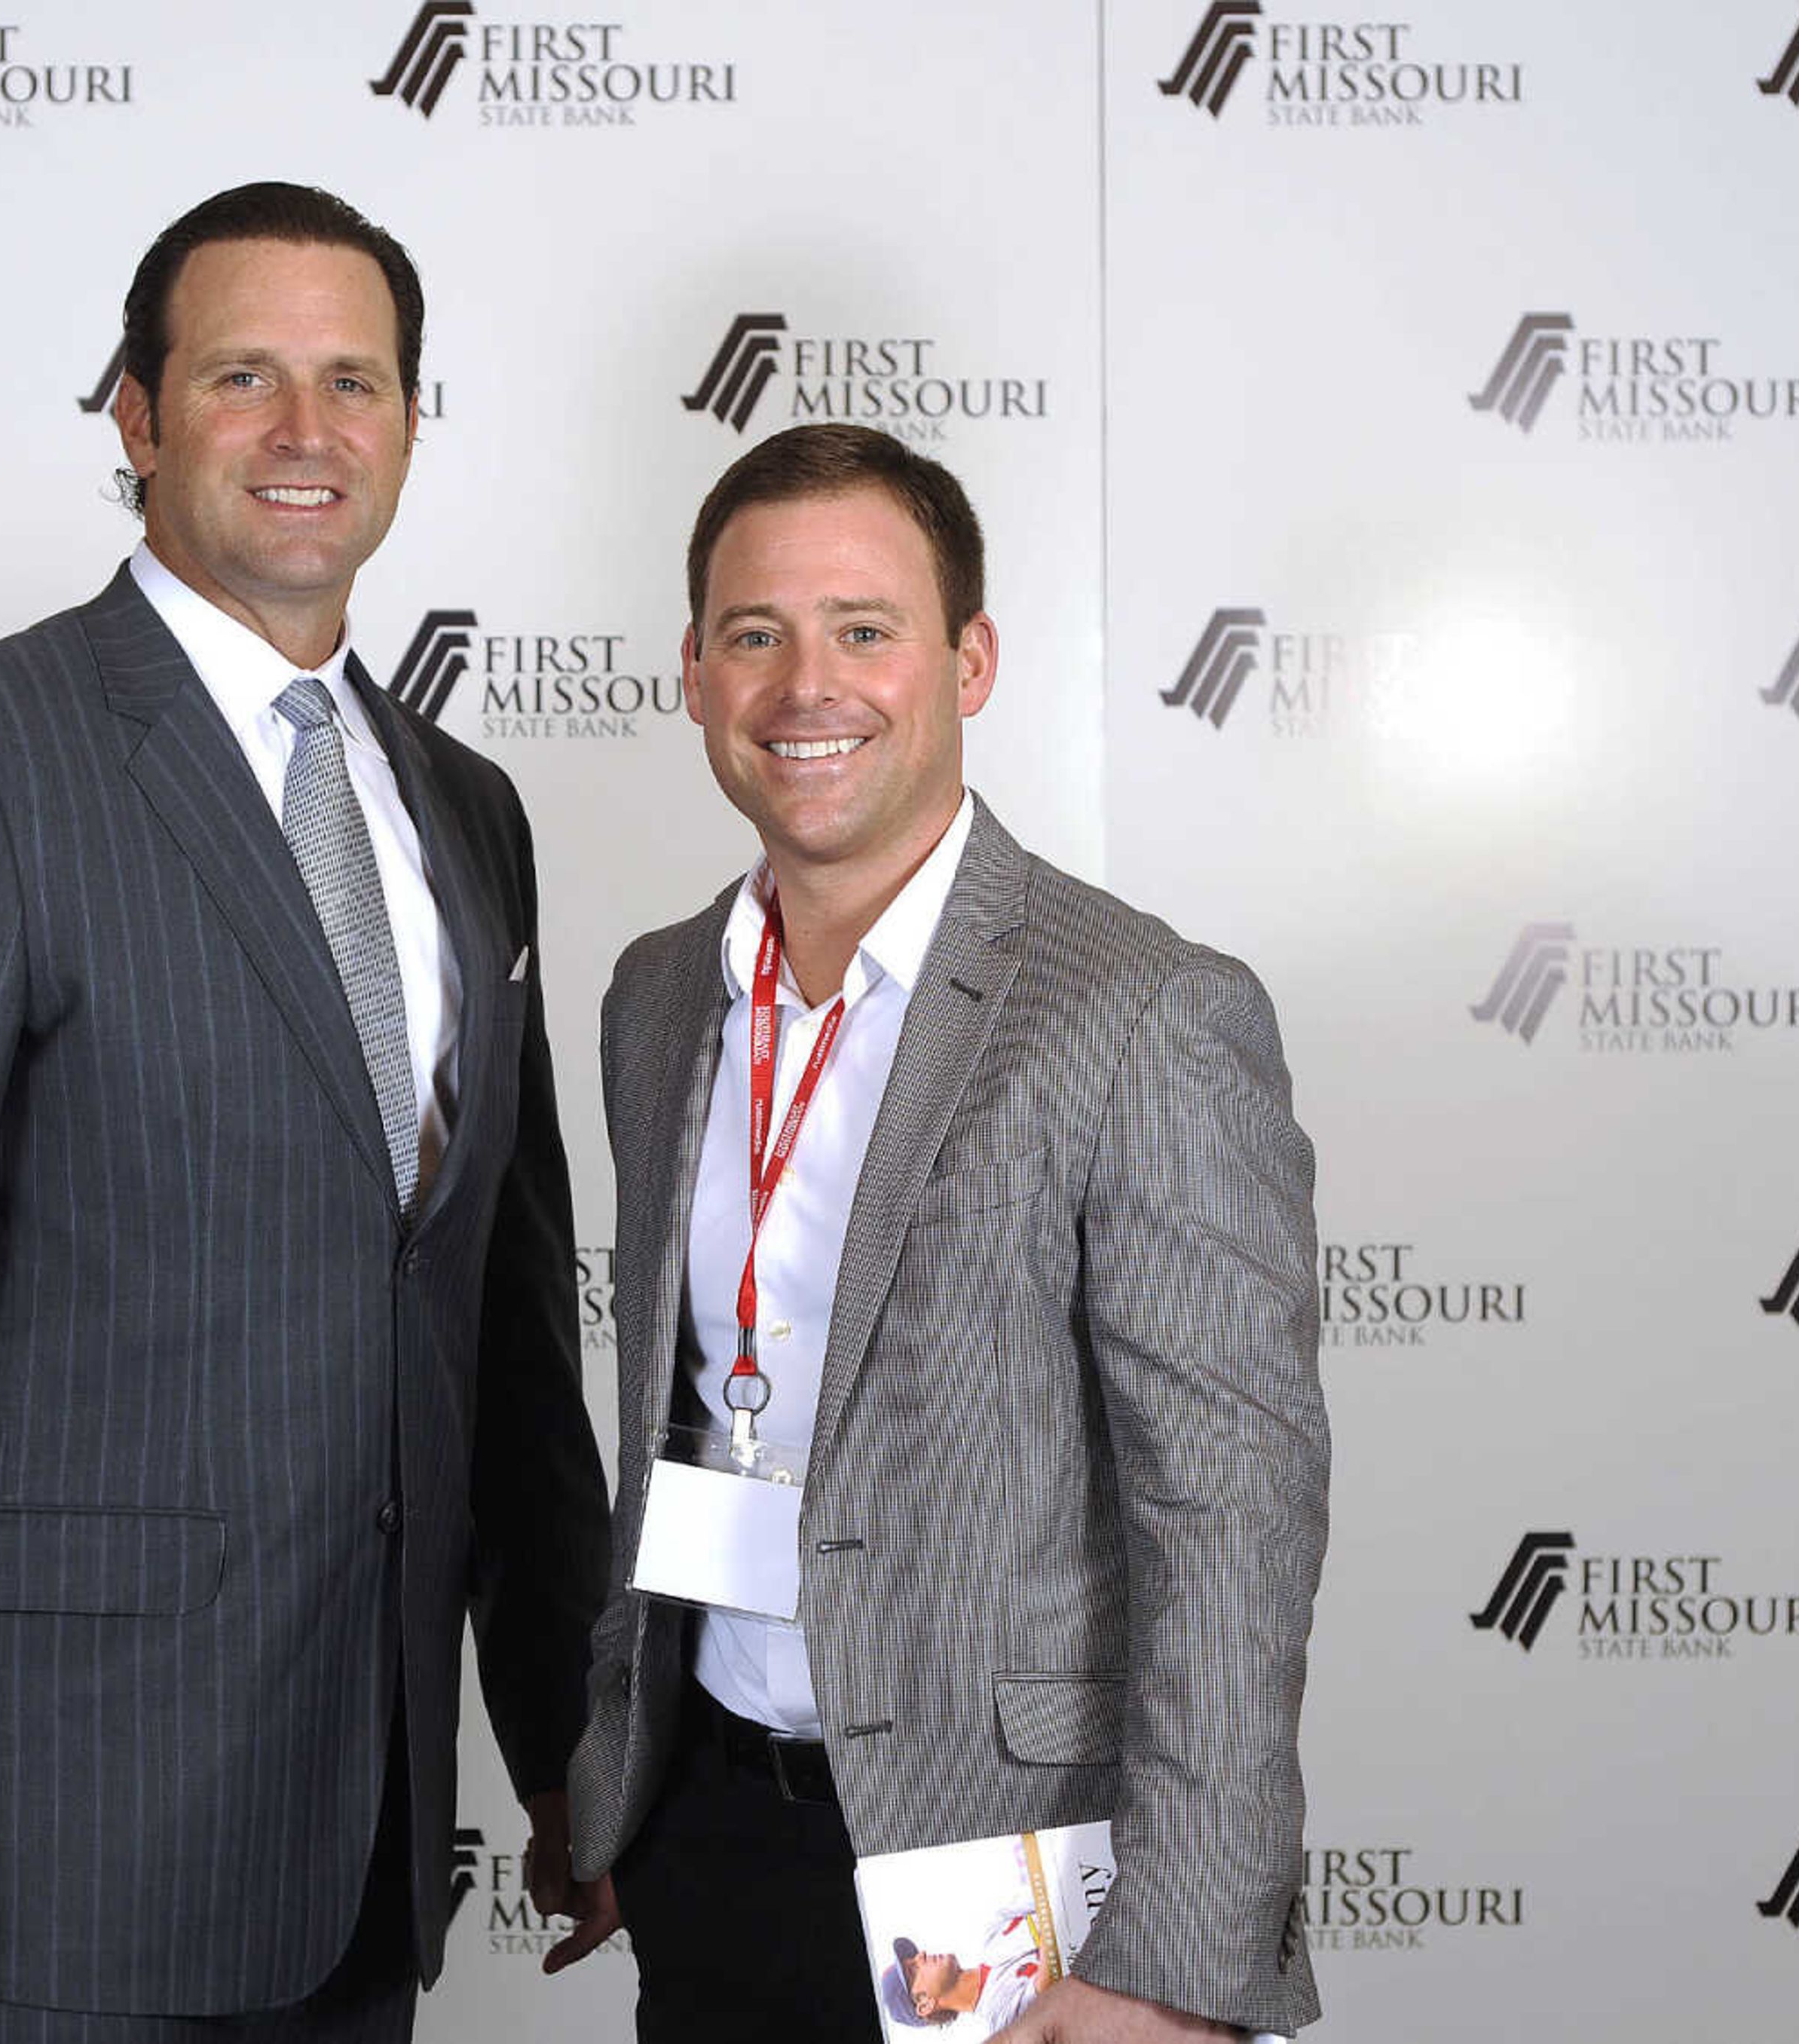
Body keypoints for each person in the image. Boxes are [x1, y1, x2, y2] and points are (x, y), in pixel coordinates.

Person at [0, 181, 610, 2044]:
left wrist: (572, 1746)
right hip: (44, 1857)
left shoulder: (468, 810)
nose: (305, 432)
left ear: (412, 427)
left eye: (355, 382)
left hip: (359, 1845)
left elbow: (493, 1334)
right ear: (134, 413)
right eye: (241, 378)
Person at [549, 424, 1326, 2042]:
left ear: (970, 659)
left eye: (865, 630)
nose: (803, 685)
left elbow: (1232, 1527)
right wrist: (623, 1775)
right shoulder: (657, 994)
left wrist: (1173, 1964)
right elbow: (692, 1412)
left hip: (1024, 1887)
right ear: (693, 672)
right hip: (708, 1845)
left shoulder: (1144, 1013)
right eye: (754, 634)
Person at [884, 1919, 1047, 2033]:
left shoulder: (994, 1933)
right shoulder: (1003, 2019)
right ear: (925, 2005)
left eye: (914, 1957)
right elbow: (1054, 1980)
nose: (921, 1955)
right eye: (913, 1970)